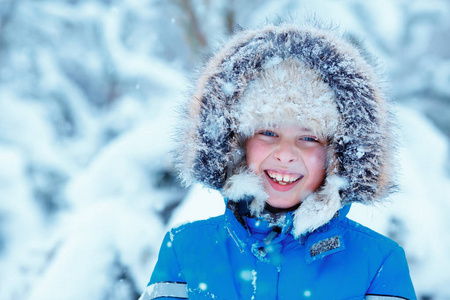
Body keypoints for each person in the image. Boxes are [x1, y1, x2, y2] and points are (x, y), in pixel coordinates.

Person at [140, 22, 416, 300]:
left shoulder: (377, 262)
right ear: (238, 143)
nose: (285, 153)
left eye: (309, 137)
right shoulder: (186, 249)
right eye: (269, 132)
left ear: (336, 156)